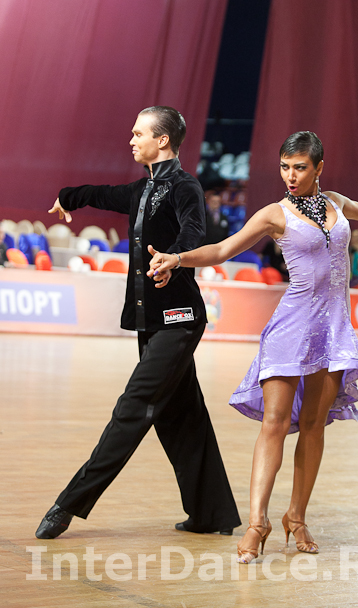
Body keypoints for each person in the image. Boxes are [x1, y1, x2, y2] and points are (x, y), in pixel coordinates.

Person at [147, 131, 358, 563]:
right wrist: (178, 258)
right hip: (291, 329)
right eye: (285, 167)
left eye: (300, 167)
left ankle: (296, 518)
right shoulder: (274, 214)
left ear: (319, 168)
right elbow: (223, 249)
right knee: (274, 424)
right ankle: (257, 523)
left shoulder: (337, 203)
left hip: (334, 331)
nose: (291, 176)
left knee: (314, 426)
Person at [35, 106, 241, 539]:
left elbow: (194, 232)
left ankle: (68, 504)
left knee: (133, 408)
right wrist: (68, 196)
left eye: (138, 134)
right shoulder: (141, 188)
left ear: (162, 140)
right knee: (181, 416)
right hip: (152, 321)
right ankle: (211, 514)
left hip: (179, 319)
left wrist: (175, 258)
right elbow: (101, 193)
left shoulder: (185, 187)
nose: (131, 140)